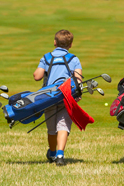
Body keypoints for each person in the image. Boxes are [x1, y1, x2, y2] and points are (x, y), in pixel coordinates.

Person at [33, 30, 82, 166]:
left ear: (54, 42)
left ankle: (52, 153)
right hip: (66, 97)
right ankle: (60, 154)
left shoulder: (47, 57)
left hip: (48, 97)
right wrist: (78, 95)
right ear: (70, 44)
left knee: (51, 128)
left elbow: (37, 76)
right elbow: (78, 79)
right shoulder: (73, 59)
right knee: (63, 126)